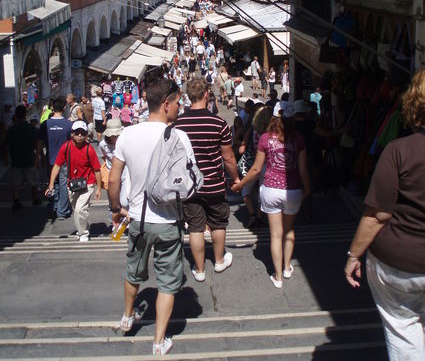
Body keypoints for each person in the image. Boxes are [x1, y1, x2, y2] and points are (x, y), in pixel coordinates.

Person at [108, 80, 195, 356]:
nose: (180, 107)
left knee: (133, 271)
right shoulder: (179, 137)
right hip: (168, 221)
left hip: (137, 219)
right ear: (166, 104)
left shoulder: (127, 135)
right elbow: (190, 183)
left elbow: (114, 179)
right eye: (178, 102)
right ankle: (159, 342)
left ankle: (127, 315)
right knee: (168, 283)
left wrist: (115, 207)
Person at [344, 69, 425, 360]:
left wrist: (354, 255)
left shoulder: (399, 151)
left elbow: (377, 215)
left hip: (398, 265)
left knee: (403, 331)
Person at [232, 100, 310, 288]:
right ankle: (287, 267)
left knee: (276, 235)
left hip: (271, 189)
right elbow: (303, 170)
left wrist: (240, 184)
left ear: (274, 116)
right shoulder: (298, 139)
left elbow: (257, 169)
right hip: (292, 190)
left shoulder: (266, 138)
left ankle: (278, 276)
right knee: (289, 231)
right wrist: (307, 188)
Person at [175, 77, 240, 283]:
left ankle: (200, 269)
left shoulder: (178, 124)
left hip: (190, 186)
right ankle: (219, 260)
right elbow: (228, 158)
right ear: (206, 95)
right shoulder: (218, 123)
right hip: (214, 184)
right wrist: (236, 178)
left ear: (188, 96)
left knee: (195, 226)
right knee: (218, 223)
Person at [46, 120, 101, 242]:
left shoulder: (89, 149)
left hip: (88, 182)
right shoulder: (66, 147)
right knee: (76, 209)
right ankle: (82, 228)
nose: (80, 136)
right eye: (77, 133)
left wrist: (98, 188)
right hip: (72, 183)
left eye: (82, 133)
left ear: (86, 135)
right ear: (72, 134)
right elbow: (57, 166)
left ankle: (83, 234)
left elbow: (97, 170)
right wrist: (51, 184)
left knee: (80, 209)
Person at [38, 97, 72, 220]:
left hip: (50, 159)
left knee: (53, 183)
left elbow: (40, 142)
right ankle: (62, 211)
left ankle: (54, 206)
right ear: (64, 108)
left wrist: (38, 157)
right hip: (64, 160)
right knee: (63, 183)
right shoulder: (69, 124)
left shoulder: (45, 124)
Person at [5, 104, 40, 212]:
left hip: (16, 160)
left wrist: (7, 157)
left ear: (16, 115)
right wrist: (37, 157)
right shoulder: (31, 129)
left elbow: (6, 145)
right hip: (29, 159)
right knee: (33, 181)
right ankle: (35, 199)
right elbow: (38, 143)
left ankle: (16, 200)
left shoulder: (11, 129)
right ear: (25, 115)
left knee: (16, 182)